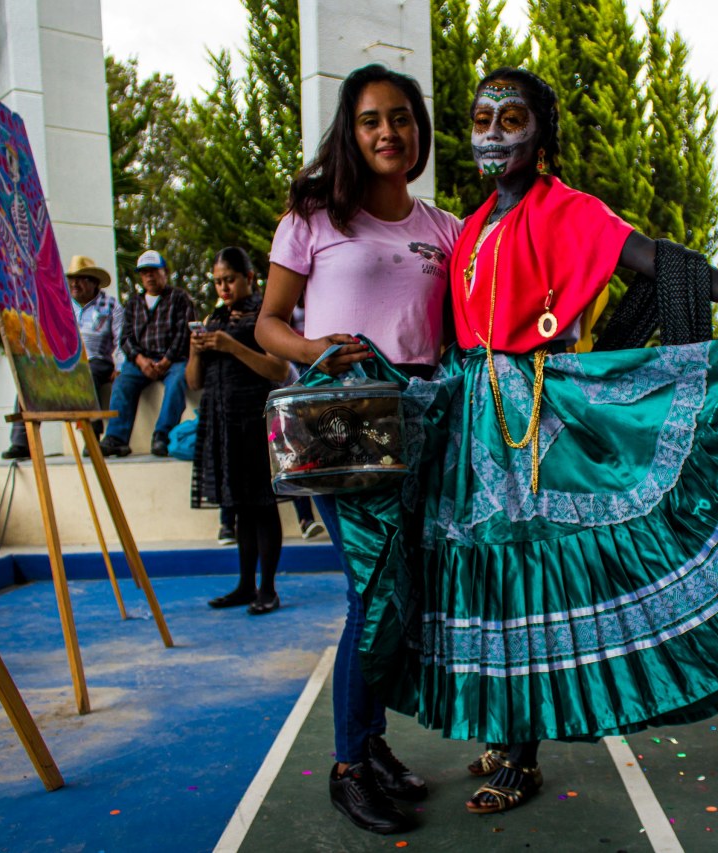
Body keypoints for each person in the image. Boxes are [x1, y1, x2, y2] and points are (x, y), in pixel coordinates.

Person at [308, 67, 718, 821]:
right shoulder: (470, 224)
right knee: (490, 583)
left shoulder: (565, 208)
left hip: (532, 422)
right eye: (483, 119)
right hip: (469, 428)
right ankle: (501, 733)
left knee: (534, 578)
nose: (493, 134)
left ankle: (522, 754)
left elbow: (657, 260)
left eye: (511, 119)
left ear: (542, 133)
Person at [254, 65, 459, 835]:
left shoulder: (446, 229)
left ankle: (369, 743)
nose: (387, 132)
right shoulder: (313, 216)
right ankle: (348, 767)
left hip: (419, 420)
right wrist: (314, 349)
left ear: (418, 130)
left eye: (400, 117)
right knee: (371, 593)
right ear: (352, 129)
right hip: (339, 420)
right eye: (371, 119)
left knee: (398, 593)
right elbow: (268, 324)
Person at [188, 247, 293, 614]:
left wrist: (231, 346)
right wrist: (196, 351)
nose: (223, 287)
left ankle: (269, 588)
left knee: (263, 505)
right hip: (223, 422)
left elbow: (279, 370)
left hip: (255, 420)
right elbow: (194, 381)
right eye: (218, 281)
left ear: (249, 277)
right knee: (240, 508)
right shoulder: (214, 318)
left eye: (229, 279)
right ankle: (246, 585)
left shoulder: (265, 315)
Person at [2, 255, 122, 459]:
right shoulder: (61, 305)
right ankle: (22, 442)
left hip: (96, 360)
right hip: (64, 360)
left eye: (81, 278)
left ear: (94, 282)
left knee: (86, 374)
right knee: (29, 379)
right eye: (71, 279)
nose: (74, 284)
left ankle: (92, 440)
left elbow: (121, 338)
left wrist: (120, 367)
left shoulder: (111, 305)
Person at [100, 250, 197, 458]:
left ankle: (163, 435)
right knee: (122, 382)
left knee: (178, 381)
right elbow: (125, 338)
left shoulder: (179, 298)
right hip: (141, 360)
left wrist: (166, 360)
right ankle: (116, 438)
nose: (149, 277)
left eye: (154, 271)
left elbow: (184, 333)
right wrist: (140, 360)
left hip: (172, 360)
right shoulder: (134, 302)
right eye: (145, 273)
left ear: (165, 272)